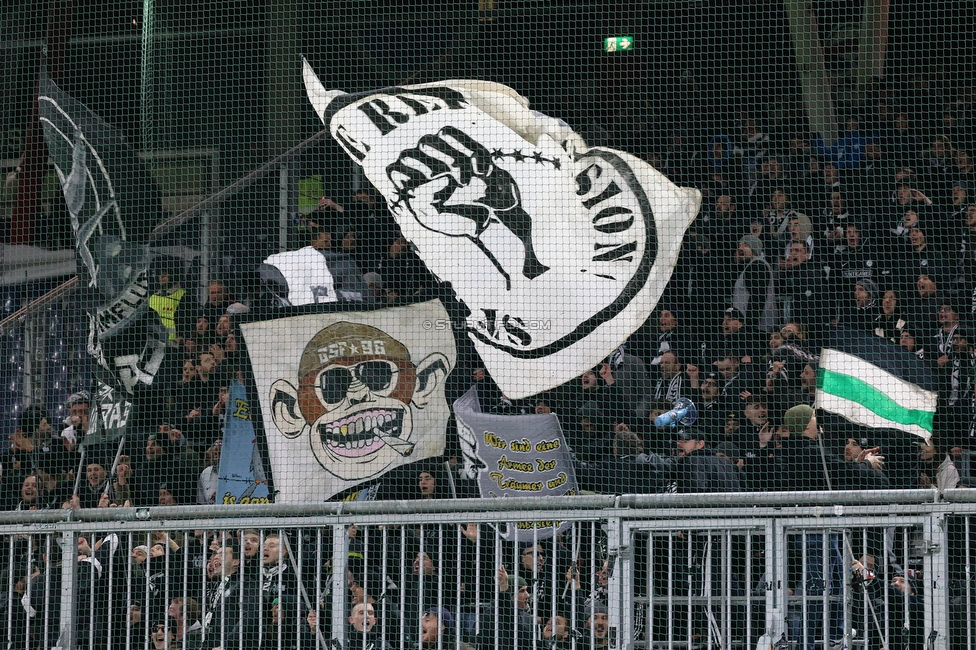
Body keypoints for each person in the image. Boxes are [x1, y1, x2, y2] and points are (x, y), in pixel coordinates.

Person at [731, 234, 777, 332]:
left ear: (754, 249)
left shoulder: (757, 265)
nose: (740, 248)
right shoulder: (751, 265)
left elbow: (758, 297)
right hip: (755, 325)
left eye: (745, 245)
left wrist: (748, 326)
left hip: (757, 327)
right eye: (739, 245)